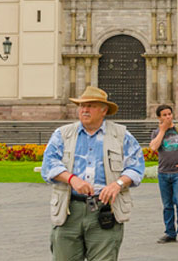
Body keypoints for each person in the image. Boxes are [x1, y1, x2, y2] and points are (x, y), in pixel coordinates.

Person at [42, 86, 145, 261]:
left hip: (105, 210)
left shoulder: (121, 136)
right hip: (69, 210)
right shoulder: (62, 134)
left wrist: (117, 184)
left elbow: (136, 167)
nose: (84, 110)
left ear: (104, 110)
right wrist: (72, 179)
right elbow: (48, 165)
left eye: (90, 106)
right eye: (81, 106)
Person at [149, 104, 178, 244]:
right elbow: (153, 147)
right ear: (159, 117)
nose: (168, 117)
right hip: (163, 173)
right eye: (164, 115)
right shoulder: (156, 132)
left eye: (169, 114)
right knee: (167, 205)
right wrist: (162, 130)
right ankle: (170, 232)